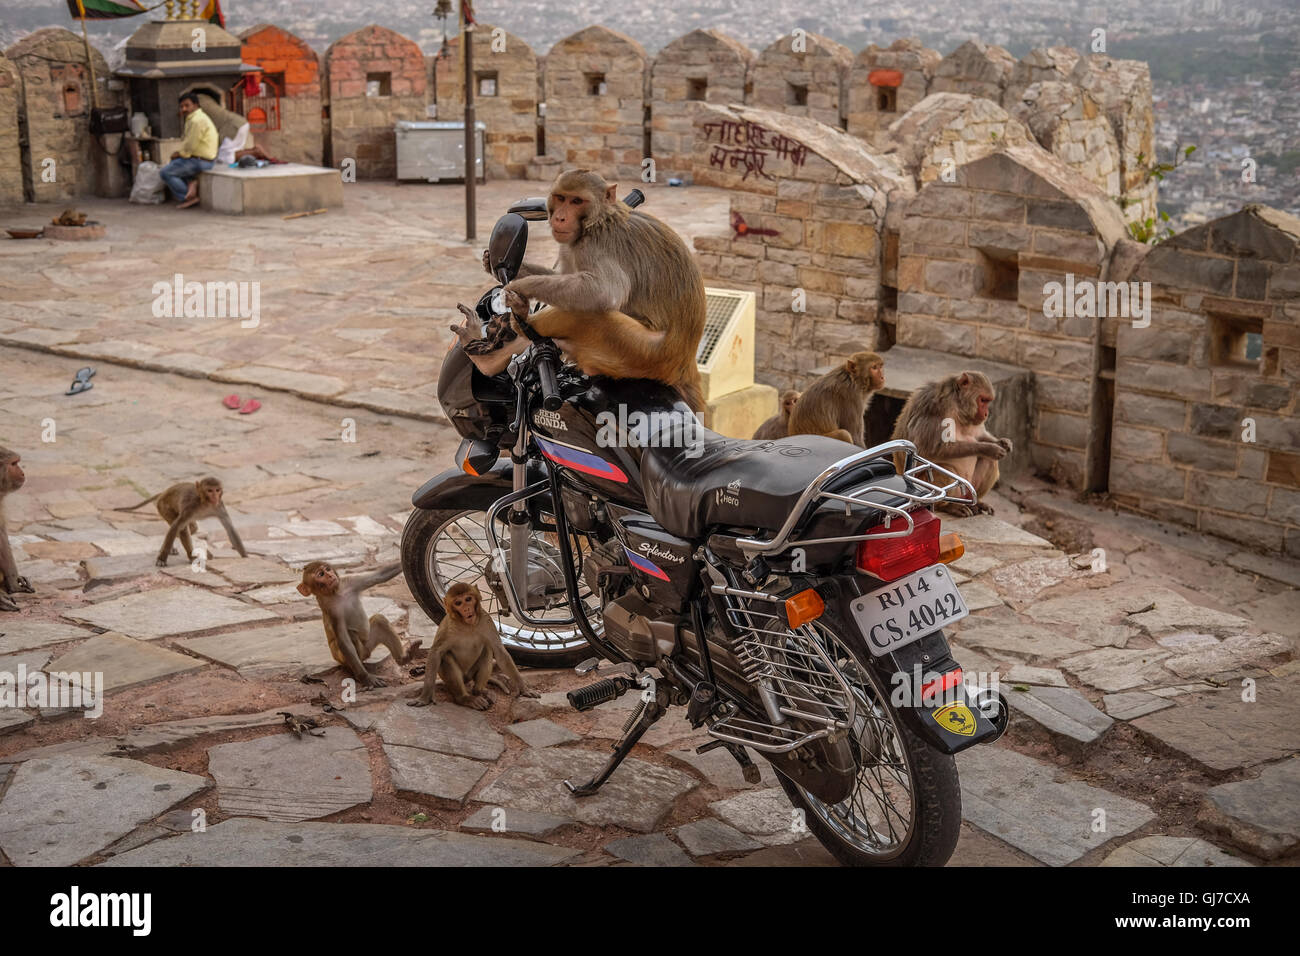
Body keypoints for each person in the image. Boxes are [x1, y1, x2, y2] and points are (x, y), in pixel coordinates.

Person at [159, 92, 218, 209]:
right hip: (198, 159)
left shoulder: (197, 120)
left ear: (195, 105)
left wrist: (179, 154)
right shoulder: (194, 118)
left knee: (165, 172)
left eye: (187, 105)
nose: (184, 109)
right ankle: (191, 182)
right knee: (174, 164)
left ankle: (187, 197)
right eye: (182, 107)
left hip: (201, 161)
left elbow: (191, 145)